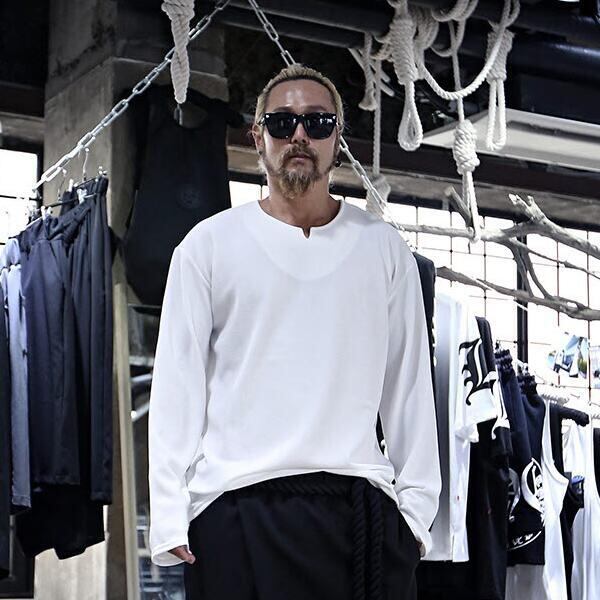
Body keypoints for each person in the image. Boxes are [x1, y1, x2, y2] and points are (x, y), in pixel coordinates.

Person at [148, 63, 441, 600]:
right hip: (236, 508)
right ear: (257, 137)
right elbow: (176, 387)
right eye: (282, 123)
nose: (299, 135)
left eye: (318, 122)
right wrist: (170, 516)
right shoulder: (207, 246)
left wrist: (417, 516)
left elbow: (409, 388)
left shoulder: (384, 249)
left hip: (360, 517)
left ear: (337, 138)